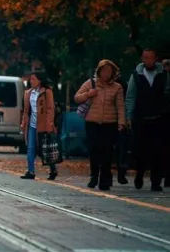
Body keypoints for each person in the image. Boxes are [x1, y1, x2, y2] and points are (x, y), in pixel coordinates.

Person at [73, 60, 125, 190]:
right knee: (94, 150)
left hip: (109, 124)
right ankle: (94, 175)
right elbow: (77, 98)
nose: (106, 74)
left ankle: (105, 179)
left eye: (109, 71)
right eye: (103, 71)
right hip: (92, 123)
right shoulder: (90, 83)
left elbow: (120, 106)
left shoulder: (117, 87)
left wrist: (121, 122)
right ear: (99, 71)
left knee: (107, 151)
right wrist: (88, 94)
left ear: (113, 72)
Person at [125, 48, 170, 191]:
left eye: (151, 57)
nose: (148, 60)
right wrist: (128, 116)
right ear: (142, 59)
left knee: (158, 150)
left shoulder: (163, 74)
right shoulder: (136, 75)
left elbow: (168, 92)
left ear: (155, 58)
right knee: (140, 150)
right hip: (141, 118)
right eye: (145, 57)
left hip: (159, 118)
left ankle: (156, 181)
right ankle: (139, 174)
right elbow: (130, 96)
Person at [20, 73, 58, 180]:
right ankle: (30, 171)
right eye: (30, 79)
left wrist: (49, 124)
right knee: (30, 148)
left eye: (33, 79)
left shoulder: (47, 92)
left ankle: (53, 169)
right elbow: (26, 110)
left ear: (40, 80)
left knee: (45, 149)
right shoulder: (28, 93)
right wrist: (24, 122)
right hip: (32, 124)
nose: (31, 81)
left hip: (43, 124)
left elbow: (51, 109)